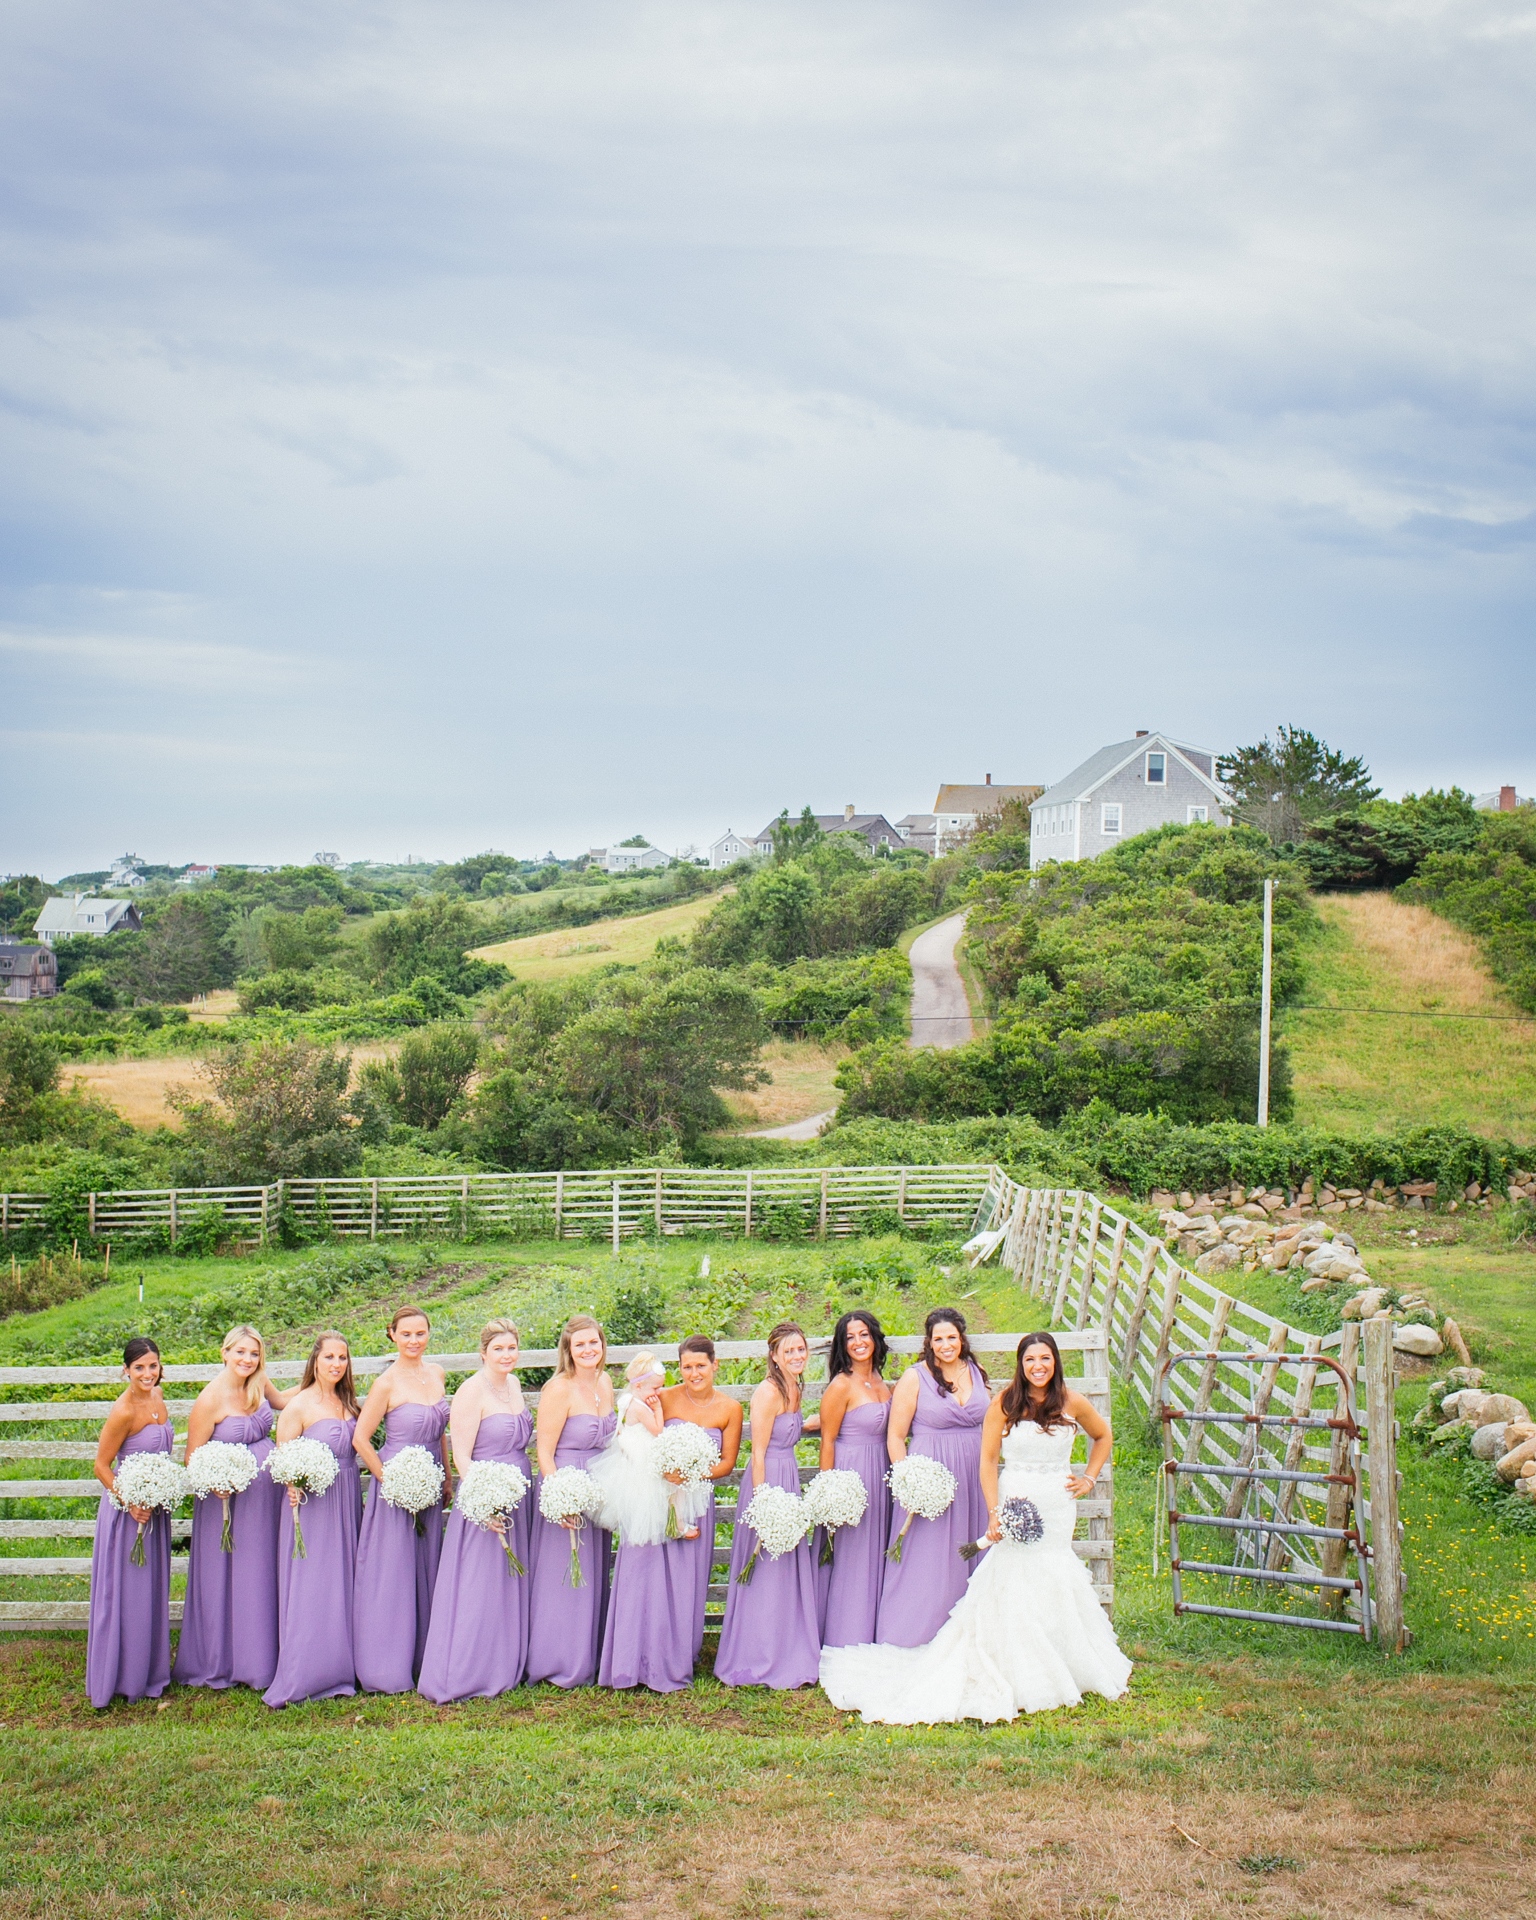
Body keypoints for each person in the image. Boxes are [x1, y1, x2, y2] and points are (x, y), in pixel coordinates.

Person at [820, 1331, 1132, 1724]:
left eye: (1045, 1359)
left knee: (1055, 1572)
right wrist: (993, 1511)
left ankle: (1064, 1659)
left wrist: (1088, 1477)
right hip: (1015, 1496)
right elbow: (987, 1461)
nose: (1038, 1367)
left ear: (1055, 1362)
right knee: (1012, 1577)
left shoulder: (1071, 1401)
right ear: (1020, 1364)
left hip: (1056, 1505)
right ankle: (1016, 1663)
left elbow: (1103, 1435)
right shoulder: (1006, 1402)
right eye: (1030, 1360)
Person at [418, 1318, 535, 1702]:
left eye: (512, 1348)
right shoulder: (470, 1391)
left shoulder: (515, 1385)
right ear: (483, 1353)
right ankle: (469, 1670)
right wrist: (484, 1501)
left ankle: (507, 1661)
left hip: (518, 1492)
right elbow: (463, 1457)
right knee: (480, 1582)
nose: (507, 1355)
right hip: (486, 1497)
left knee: (509, 1579)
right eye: (498, 1349)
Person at [174, 1323, 292, 1691]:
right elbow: (192, 1456)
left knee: (261, 1568)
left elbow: (286, 1403)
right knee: (232, 1572)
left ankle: (265, 1654)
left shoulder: (259, 1384)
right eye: (240, 1352)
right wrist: (216, 1484)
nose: (247, 1359)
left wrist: (321, 1381)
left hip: (266, 1495)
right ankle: (226, 1658)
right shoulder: (210, 1398)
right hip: (228, 1500)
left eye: (254, 1353)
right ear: (224, 1353)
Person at [873, 1307, 990, 1648]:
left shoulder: (976, 1371)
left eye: (951, 1337)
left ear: (962, 1338)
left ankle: (969, 1637)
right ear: (929, 1342)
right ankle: (913, 1635)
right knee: (927, 1557)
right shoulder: (915, 1377)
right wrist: (909, 1481)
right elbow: (895, 1436)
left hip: (973, 1473)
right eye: (938, 1339)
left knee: (972, 1550)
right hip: (931, 1478)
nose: (945, 1344)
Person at [714, 1321, 821, 1689]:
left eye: (800, 1349)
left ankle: (786, 1648)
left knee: (785, 1568)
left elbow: (791, 1428)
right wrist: (763, 1506)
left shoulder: (796, 1385)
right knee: (764, 1567)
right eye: (788, 1351)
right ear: (774, 1355)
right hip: (767, 1481)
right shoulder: (768, 1391)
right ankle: (756, 1654)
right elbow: (757, 1452)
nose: (796, 1356)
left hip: (788, 1476)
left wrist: (817, 1423)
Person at [595, 1351, 710, 1693]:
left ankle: (673, 1523)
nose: (658, 1393)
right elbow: (657, 1430)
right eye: (655, 1387)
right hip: (643, 1461)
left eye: (661, 1389)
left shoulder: (627, 1399)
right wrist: (658, 1408)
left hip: (635, 1456)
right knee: (662, 1493)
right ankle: (675, 1524)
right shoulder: (639, 1404)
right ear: (641, 1383)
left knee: (663, 1495)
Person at [352, 1306, 452, 1693]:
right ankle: (386, 1664)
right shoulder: (386, 1383)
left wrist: (444, 1475)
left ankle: (424, 1657)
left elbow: (441, 1430)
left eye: (420, 1333)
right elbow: (362, 1439)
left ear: (429, 1335)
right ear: (392, 1335)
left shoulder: (438, 1373)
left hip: (430, 1483)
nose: (414, 1341)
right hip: (397, 1484)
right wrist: (389, 1481)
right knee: (393, 1572)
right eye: (406, 1334)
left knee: (425, 1568)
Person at [263, 1332, 363, 1709]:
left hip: (347, 1498)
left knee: (345, 1579)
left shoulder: (349, 1403)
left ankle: (343, 1667)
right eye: (329, 1358)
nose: (336, 1364)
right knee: (314, 1582)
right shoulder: (299, 1406)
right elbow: (282, 1458)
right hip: (313, 1505)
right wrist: (292, 1485)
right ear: (315, 1361)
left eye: (342, 1357)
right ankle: (306, 1671)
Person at [525, 1315, 616, 1688]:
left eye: (593, 1343)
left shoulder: (605, 1381)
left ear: (601, 1345)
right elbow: (544, 1453)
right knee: (562, 1574)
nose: (588, 1350)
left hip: (598, 1486)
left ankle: (587, 1654)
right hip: (566, 1485)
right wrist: (561, 1498)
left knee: (592, 1570)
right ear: (568, 1350)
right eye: (580, 1345)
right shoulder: (558, 1389)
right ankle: (556, 1661)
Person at [86, 1337, 175, 1709]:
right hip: (128, 1515)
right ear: (125, 1370)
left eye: (152, 1366)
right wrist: (131, 1501)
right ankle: (121, 1676)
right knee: (128, 1593)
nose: (147, 1373)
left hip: (154, 1511)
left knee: (150, 1591)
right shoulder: (123, 1411)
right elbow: (101, 1466)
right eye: (139, 1367)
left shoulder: (157, 1399)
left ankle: (150, 1671)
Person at [658, 1337, 743, 1662]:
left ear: (714, 1364)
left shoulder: (730, 1408)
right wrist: (666, 1469)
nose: (694, 1373)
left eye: (700, 1365)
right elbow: (639, 1436)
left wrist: (692, 1472)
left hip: (698, 1500)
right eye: (687, 1366)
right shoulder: (664, 1398)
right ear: (679, 1367)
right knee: (658, 1572)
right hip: (662, 1496)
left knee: (688, 1576)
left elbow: (727, 1464)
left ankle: (678, 1654)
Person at [816, 1311, 893, 1650]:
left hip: (883, 1470)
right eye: (850, 1337)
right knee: (853, 1557)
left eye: (864, 1335)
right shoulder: (841, 1385)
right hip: (852, 1475)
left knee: (879, 1553)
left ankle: (878, 1630)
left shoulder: (880, 1379)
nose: (859, 1342)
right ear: (842, 1345)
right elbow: (828, 1440)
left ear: (875, 1338)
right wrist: (830, 1492)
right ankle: (845, 1637)